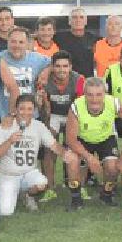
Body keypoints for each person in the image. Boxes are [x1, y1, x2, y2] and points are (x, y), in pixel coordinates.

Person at [0, 95, 71, 216]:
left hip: (29, 173)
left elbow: (54, 145)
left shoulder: (38, 126)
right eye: (22, 109)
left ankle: (27, 195)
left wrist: (66, 154)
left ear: (34, 110)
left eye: (29, 109)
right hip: (8, 174)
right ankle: (0, 194)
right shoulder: (6, 126)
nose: (26, 112)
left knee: (42, 183)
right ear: (15, 110)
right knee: (4, 212)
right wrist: (9, 141)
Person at [64, 77, 122, 210]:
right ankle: (76, 199)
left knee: (113, 167)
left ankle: (107, 194)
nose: (94, 99)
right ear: (84, 94)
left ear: (105, 94)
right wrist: (90, 158)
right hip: (82, 140)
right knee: (72, 160)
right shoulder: (76, 106)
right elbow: (71, 140)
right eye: (90, 94)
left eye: (98, 94)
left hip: (106, 138)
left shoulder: (113, 103)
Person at [40, 51, 85, 202]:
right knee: (49, 149)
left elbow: (79, 105)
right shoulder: (44, 80)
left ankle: (77, 185)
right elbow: (44, 108)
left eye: (65, 66)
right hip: (53, 114)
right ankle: (50, 188)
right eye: (58, 66)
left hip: (71, 114)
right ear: (52, 67)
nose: (61, 70)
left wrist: (71, 130)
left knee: (75, 149)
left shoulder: (78, 79)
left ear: (70, 67)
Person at [0, 27, 51, 120]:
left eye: (21, 42)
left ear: (27, 44)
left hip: (31, 116)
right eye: (13, 42)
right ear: (7, 42)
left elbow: (55, 62)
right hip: (6, 116)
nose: (17, 45)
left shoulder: (37, 59)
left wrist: (46, 72)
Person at [53, 8, 99, 78]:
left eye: (81, 17)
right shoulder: (58, 38)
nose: (78, 20)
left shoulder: (95, 39)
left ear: (86, 21)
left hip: (86, 82)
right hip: (66, 82)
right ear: (69, 21)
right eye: (74, 17)